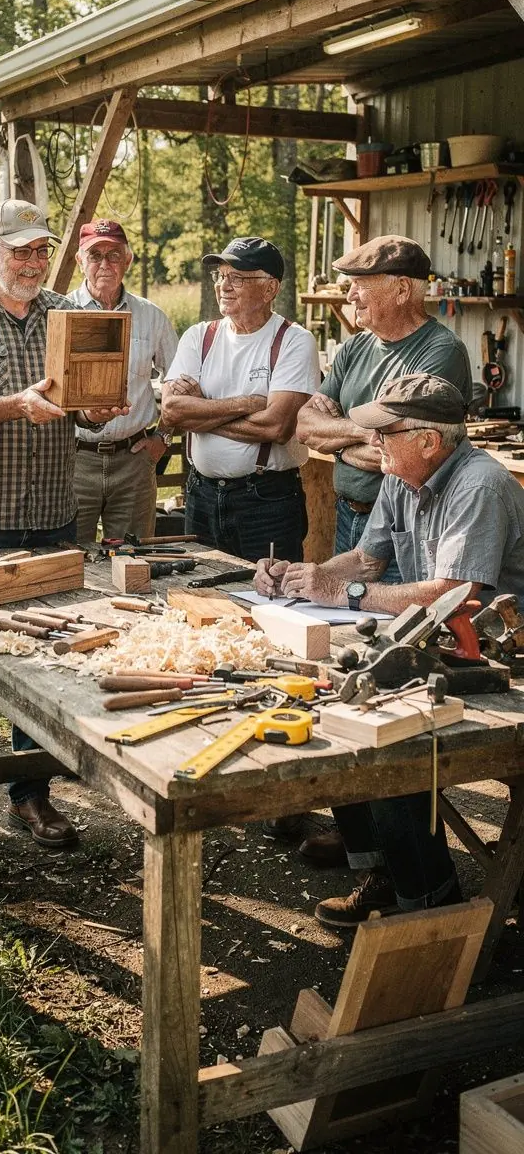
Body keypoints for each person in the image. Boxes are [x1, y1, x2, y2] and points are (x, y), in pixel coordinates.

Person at [254, 372, 524, 927]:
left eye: (385, 432)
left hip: (504, 658)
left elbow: (454, 592)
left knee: (389, 738)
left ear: (428, 440)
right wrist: (303, 577)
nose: (372, 441)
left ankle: (430, 902)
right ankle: (381, 870)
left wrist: (344, 593)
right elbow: (366, 560)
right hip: (446, 642)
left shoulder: (479, 485)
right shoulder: (403, 474)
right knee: (336, 705)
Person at [0, 199, 129, 864]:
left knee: (43, 658)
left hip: (52, 515)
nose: (35, 263)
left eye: (42, 250)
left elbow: (79, 405)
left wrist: (93, 409)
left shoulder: (65, 312)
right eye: (21, 251)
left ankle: (31, 793)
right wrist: (16, 405)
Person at [296, 236, 473, 567]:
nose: (350, 296)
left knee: (392, 603)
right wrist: (364, 433)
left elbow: (407, 455)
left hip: (403, 526)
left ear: (402, 290)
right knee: (341, 598)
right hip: (347, 515)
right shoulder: (355, 347)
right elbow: (305, 426)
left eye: (360, 285)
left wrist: (337, 445)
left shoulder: (441, 351)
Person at [161, 237, 320, 563]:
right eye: (221, 276)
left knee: (271, 590)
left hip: (266, 500)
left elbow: (276, 427)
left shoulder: (294, 341)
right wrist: (246, 404)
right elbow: (173, 411)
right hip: (201, 495)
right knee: (201, 587)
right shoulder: (199, 336)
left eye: (237, 278)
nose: (224, 286)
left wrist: (201, 414)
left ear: (270, 288)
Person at [68, 218, 178, 542]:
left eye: (114, 255)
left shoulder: (151, 316)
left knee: (133, 556)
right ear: (80, 260)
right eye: (95, 255)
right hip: (74, 460)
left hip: (134, 460)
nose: (105, 264)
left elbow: (180, 381)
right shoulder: (61, 311)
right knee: (69, 556)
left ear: (127, 260)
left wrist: (163, 438)